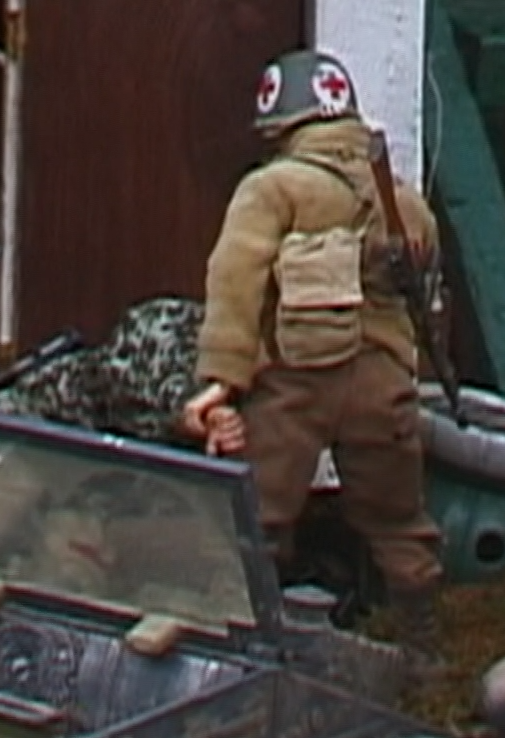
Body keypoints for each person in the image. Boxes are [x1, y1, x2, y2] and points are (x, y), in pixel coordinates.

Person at [182, 50, 444, 618]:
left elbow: (235, 280)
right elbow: (423, 297)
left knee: (256, 520)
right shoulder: (405, 201)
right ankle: (419, 632)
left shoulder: (272, 189)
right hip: (383, 385)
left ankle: (238, 629)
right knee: (399, 525)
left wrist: (222, 379)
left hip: (295, 383)